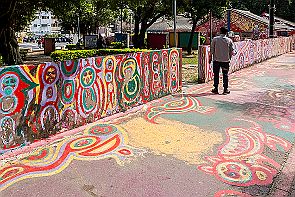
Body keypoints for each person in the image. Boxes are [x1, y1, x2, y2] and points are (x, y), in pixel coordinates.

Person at [210, 26, 235, 95]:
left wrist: (210, 58)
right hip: (225, 61)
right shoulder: (229, 40)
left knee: (216, 74)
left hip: (216, 60)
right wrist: (229, 58)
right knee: (225, 74)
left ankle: (215, 88)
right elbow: (232, 51)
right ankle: (225, 89)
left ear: (220, 31)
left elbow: (212, 50)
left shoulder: (215, 39)